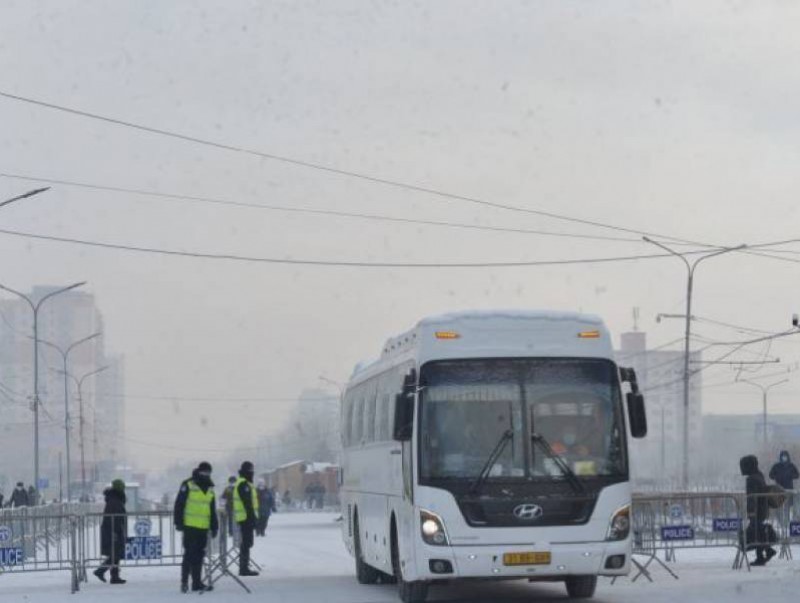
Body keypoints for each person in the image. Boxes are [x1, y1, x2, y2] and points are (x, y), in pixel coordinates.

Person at [174, 462, 218, 593]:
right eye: (204, 472)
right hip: (189, 526)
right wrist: (178, 522)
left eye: (208, 473)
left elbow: (212, 508)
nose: (206, 475)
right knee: (189, 554)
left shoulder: (210, 488)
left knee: (199, 555)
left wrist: (214, 526)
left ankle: (197, 583)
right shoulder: (188, 484)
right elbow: (179, 504)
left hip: (203, 527)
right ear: (199, 471)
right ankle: (184, 582)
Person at [740, 455, 777, 566]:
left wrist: (751, 512)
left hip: (756, 510)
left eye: (743, 466)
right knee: (758, 533)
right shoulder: (759, 475)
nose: (741, 469)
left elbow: (752, 497)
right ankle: (763, 555)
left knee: (756, 533)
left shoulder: (751, 479)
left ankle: (766, 551)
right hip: (762, 509)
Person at [93, 479, 128, 584]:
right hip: (113, 530)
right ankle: (101, 571)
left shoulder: (114, 498)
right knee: (115, 554)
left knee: (116, 553)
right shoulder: (114, 500)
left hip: (114, 530)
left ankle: (114, 576)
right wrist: (115, 532)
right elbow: (113, 518)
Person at [233, 461, 259, 576]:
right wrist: (252, 518)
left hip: (245, 517)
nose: (252, 472)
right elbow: (247, 503)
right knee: (246, 543)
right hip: (246, 517)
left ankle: (244, 566)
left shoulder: (244, 483)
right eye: (251, 470)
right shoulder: (243, 484)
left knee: (247, 543)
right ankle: (243, 568)